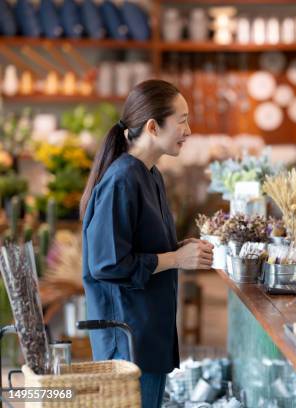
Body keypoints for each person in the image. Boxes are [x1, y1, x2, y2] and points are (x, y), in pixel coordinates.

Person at [80, 79, 214, 408]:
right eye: (182, 120)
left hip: (148, 332)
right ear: (153, 126)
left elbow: (143, 243)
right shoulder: (122, 178)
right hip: (127, 340)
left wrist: (181, 248)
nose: (188, 129)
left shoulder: (150, 173)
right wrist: (176, 259)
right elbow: (107, 264)